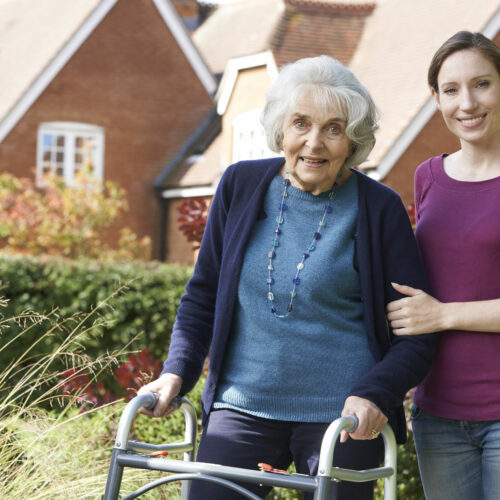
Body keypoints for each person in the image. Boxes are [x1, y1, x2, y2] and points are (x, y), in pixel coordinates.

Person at [139, 55, 436, 500]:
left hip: (344, 416)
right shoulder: (239, 185)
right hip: (242, 407)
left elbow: (417, 335)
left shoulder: (380, 208)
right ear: (281, 128)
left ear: (352, 140)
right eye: (301, 123)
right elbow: (202, 296)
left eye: (333, 128)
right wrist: (175, 372)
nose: (314, 143)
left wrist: (377, 394)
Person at [386, 31, 500, 500]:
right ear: (436, 99)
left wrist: (444, 315)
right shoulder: (427, 176)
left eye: (482, 84)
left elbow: (437, 305)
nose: (467, 103)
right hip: (437, 415)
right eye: (451, 90)